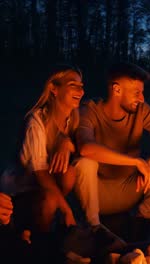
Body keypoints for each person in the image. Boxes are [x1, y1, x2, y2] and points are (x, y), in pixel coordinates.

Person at [74, 62, 150, 250]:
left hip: (131, 187)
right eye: (137, 92)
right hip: (98, 191)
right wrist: (136, 161)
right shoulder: (89, 110)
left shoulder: (141, 110)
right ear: (116, 89)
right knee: (85, 163)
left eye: (142, 92)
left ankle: (142, 220)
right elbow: (86, 148)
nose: (142, 98)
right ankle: (94, 227)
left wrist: (148, 163)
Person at [14, 64, 83, 236]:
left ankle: (51, 220)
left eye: (81, 86)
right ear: (54, 88)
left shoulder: (73, 120)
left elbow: (83, 149)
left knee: (70, 173)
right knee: (52, 197)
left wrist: (66, 142)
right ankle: (39, 240)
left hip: (44, 188)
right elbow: (40, 173)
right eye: (73, 85)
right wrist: (68, 210)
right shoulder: (36, 120)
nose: (80, 91)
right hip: (20, 192)